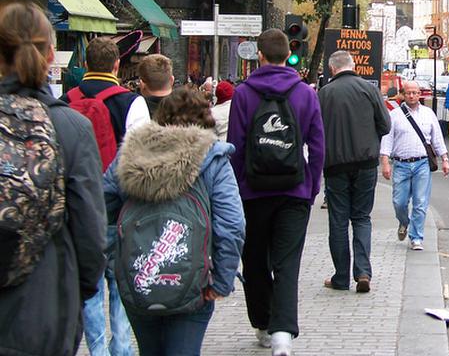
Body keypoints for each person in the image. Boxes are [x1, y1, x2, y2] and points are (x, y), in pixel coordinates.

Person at [103, 86, 245, 355]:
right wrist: (221, 281)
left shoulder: (131, 154)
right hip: (194, 282)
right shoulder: (213, 159)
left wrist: (116, 262)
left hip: (138, 276)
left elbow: (103, 208)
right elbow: (232, 224)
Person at [0, 0, 107, 356]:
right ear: (50, 56)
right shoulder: (72, 127)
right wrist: (79, 290)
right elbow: (90, 231)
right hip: (44, 306)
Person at [226, 28, 325, 355]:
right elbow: (318, 147)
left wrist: (239, 187)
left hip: (253, 191)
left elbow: (236, 146)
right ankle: (284, 333)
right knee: (287, 263)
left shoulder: (243, 93)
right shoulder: (305, 93)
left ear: (260, 56)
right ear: (288, 55)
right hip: (293, 191)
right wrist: (310, 187)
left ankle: (263, 325)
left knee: (254, 260)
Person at [63, 37, 150, 356]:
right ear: (117, 65)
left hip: (78, 208)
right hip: (120, 210)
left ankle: (96, 348)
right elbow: (141, 158)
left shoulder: (65, 99)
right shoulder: (132, 102)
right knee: (120, 286)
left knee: (89, 286)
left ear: (86, 64)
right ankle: (122, 348)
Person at [318, 51, 391, 293]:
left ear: (331, 69)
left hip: (335, 165)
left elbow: (315, 131)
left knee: (338, 220)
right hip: (366, 163)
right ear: (354, 65)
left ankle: (341, 277)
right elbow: (385, 124)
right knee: (361, 218)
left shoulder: (324, 94)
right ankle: (362, 272)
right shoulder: (369, 89)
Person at [379, 81, 449, 251]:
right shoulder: (394, 115)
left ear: (420, 94)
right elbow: (387, 139)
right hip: (401, 164)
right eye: (408, 93)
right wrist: (385, 163)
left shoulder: (428, 114)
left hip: (422, 164)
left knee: (420, 202)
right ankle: (404, 222)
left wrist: (445, 159)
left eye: (415, 93)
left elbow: (437, 139)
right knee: (399, 202)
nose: (412, 96)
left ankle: (416, 237)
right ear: (403, 94)